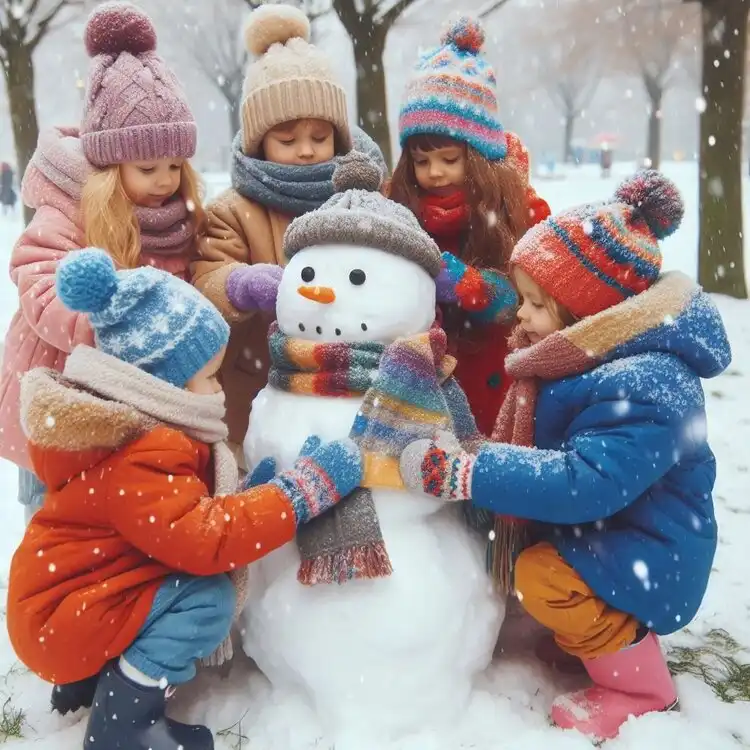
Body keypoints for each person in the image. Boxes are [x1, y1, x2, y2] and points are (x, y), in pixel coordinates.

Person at [399, 171, 731, 739]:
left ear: (586, 313)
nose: (520, 317)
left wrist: (473, 472)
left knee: (541, 576)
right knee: (543, 569)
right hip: (621, 533)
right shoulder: (582, 360)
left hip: (655, 549)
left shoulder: (647, 385)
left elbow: (586, 482)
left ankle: (640, 687)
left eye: (534, 303)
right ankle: (597, 635)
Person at [7, 249, 362, 750]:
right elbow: (206, 540)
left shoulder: (127, 432)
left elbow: (166, 526)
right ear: (165, 384)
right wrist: (299, 494)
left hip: (64, 608)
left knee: (174, 585)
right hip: (64, 622)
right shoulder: (144, 453)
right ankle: (125, 723)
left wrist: (244, 496)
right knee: (204, 598)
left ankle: (93, 676)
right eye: (210, 376)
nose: (217, 389)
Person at [0, 2, 203, 521]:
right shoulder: (67, 209)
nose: (165, 180)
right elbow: (43, 284)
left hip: (135, 396)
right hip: (61, 384)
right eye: (148, 166)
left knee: (119, 507)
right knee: (58, 507)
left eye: (176, 166)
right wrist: (113, 328)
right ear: (110, 167)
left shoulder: (178, 218)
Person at [192, 3, 386, 462]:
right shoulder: (234, 212)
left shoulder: (366, 198)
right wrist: (238, 284)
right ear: (260, 140)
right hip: (261, 393)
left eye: (320, 137)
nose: (305, 151)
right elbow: (206, 277)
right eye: (287, 139)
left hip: (357, 392)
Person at [387, 15, 550, 437]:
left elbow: (534, 296)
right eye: (421, 161)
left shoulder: (520, 212)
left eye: (448, 159)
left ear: (476, 156)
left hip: (496, 381)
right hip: (420, 382)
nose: (434, 173)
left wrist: (468, 286)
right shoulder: (398, 208)